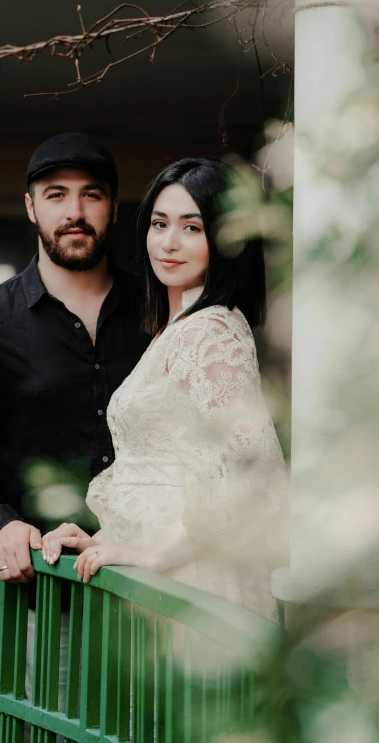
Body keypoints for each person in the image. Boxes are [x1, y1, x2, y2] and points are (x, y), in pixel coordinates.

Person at [0, 132, 151, 691]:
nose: (74, 211)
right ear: (30, 205)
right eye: (55, 194)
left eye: (92, 194)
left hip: (153, 580)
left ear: (114, 209)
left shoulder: (158, 313)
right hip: (46, 594)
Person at [41, 157, 288, 622]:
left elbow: (248, 473)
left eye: (192, 228)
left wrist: (155, 556)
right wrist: (100, 539)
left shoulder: (211, 330)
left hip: (191, 576)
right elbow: (167, 470)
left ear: (227, 238)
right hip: (163, 572)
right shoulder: (177, 327)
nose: (169, 243)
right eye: (159, 224)